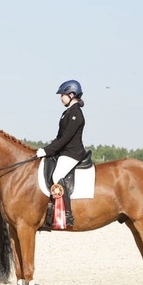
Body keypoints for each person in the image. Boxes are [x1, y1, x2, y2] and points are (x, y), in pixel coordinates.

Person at [35, 79, 86, 226]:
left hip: (72, 153)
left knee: (57, 175)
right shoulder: (67, 112)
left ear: (71, 94)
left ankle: (67, 214)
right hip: (63, 152)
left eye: (62, 95)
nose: (60, 98)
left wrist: (46, 151)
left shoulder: (76, 113)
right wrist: (47, 149)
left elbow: (66, 139)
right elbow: (58, 137)